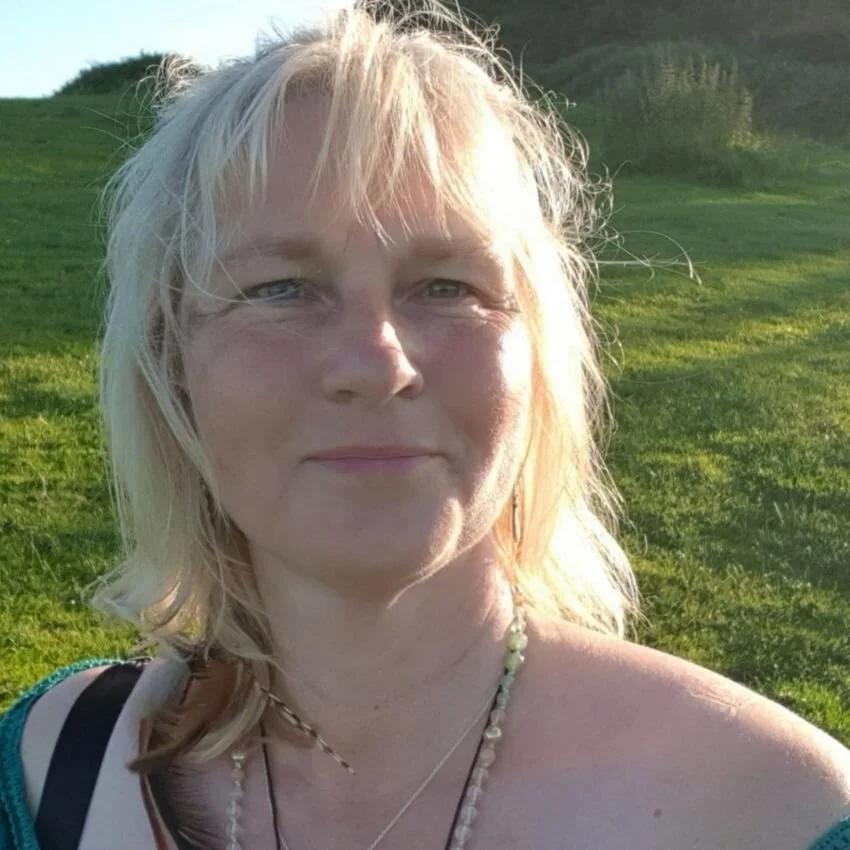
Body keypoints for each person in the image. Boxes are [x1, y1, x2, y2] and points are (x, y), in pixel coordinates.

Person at [1, 2, 849, 848]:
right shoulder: (51, 775)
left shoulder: (776, 810)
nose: (378, 364)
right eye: (279, 289)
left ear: (537, 355)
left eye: (447, 286)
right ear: (170, 364)